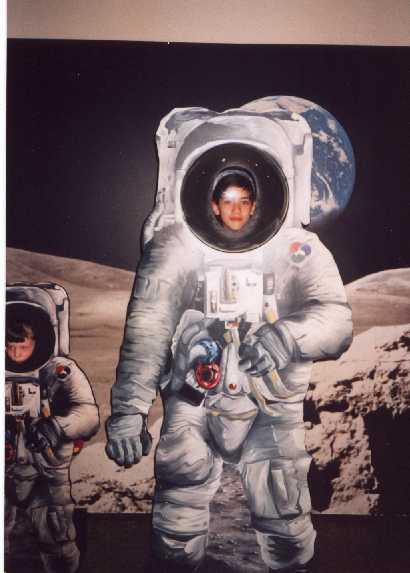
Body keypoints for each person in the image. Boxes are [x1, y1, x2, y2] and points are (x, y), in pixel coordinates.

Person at [106, 98, 354, 573]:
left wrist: (284, 338)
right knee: (177, 520)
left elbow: (337, 321)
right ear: (211, 201)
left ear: (258, 200)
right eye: (227, 201)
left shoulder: (297, 249)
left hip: (270, 403)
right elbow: (148, 328)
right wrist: (129, 411)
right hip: (194, 398)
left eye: (245, 201)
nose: (236, 211)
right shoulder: (177, 247)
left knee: (285, 521)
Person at [5, 287, 100, 573]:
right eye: (9, 347)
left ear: (38, 339)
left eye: (22, 346)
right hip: (7, 468)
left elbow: (88, 415)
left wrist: (55, 427)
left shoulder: (59, 372)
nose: (16, 354)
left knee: (56, 538)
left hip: (45, 472)